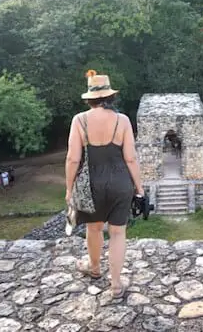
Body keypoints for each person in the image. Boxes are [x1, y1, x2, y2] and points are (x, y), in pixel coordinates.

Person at [65, 70, 144, 299]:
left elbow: (73, 158)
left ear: (89, 97)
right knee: (118, 234)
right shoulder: (123, 121)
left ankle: (95, 267)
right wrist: (139, 188)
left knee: (94, 227)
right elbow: (131, 158)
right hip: (120, 183)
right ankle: (117, 284)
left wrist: (69, 189)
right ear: (110, 96)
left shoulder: (79, 120)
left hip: (92, 184)